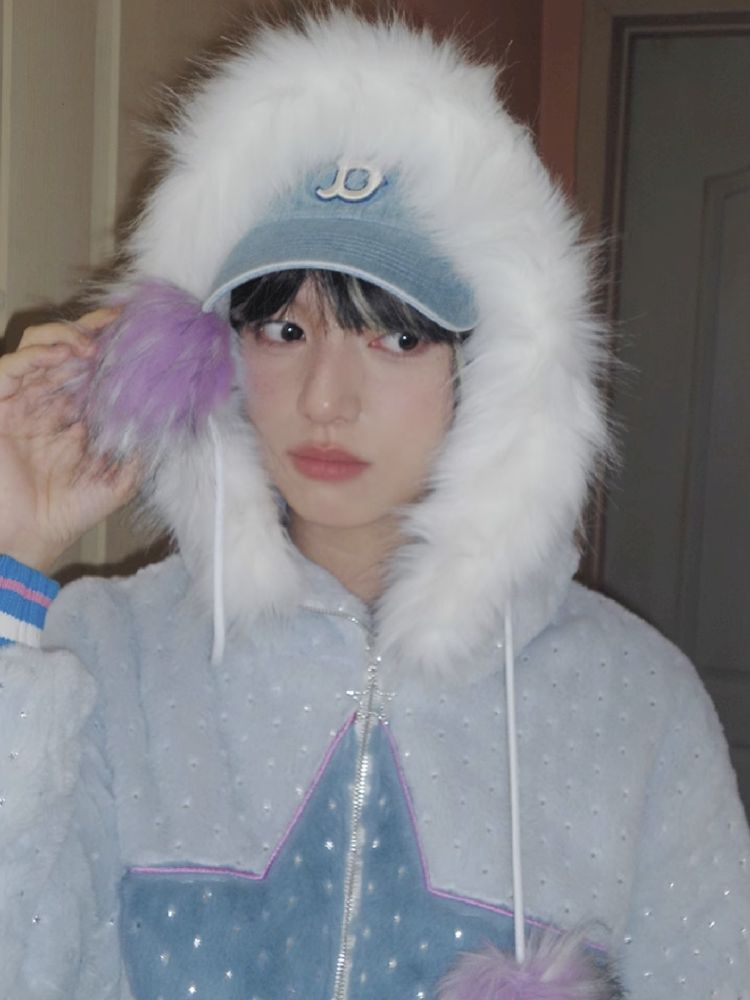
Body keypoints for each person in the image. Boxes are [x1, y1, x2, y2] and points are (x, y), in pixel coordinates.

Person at [0, 10, 748, 999]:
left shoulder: (638, 704)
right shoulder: (102, 653)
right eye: (281, 328)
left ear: (494, 369)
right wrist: (11, 547)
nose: (325, 399)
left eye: (396, 339)